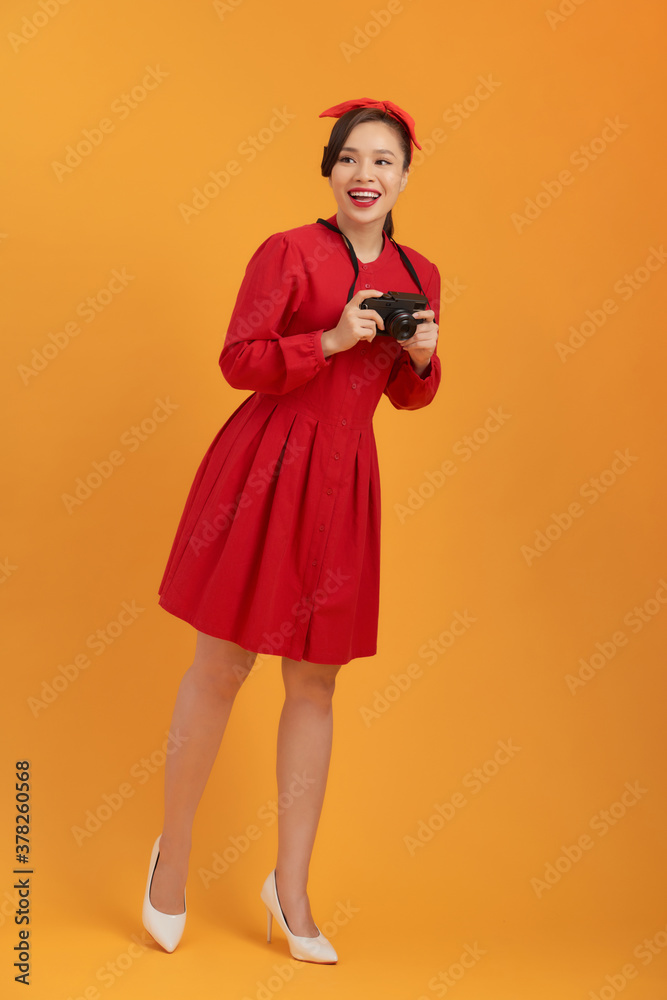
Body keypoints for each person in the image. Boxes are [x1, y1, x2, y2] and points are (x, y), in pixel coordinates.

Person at [141, 97, 442, 963]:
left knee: (317, 685)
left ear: (405, 176)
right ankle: (172, 861)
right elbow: (238, 358)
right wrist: (328, 338)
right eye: (350, 158)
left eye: (383, 161)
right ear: (330, 168)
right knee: (222, 662)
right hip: (266, 469)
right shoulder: (289, 252)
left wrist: (421, 359)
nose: (365, 175)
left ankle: (291, 887)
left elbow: (407, 396)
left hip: (345, 484)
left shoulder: (421, 273)